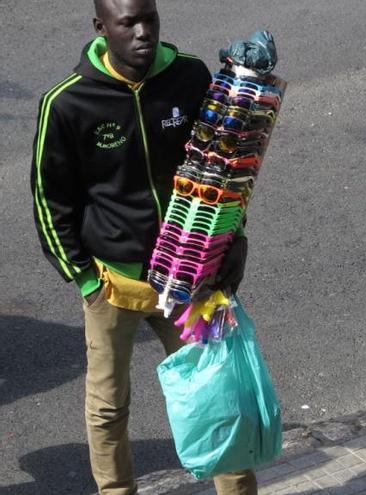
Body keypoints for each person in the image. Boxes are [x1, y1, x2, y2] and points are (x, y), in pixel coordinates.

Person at [30, 0, 253, 493]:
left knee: (219, 397)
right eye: (128, 22)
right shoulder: (68, 103)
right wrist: (87, 280)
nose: (142, 32)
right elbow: (50, 201)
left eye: (148, 19)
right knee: (109, 409)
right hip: (115, 284)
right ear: (101, 27)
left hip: (193, 280)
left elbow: (227, 166)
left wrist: (233, 238)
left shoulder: (190, 77)